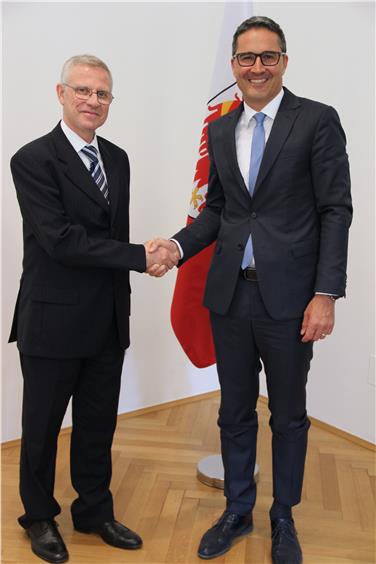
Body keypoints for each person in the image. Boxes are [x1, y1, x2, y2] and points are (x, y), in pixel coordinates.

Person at [150, 16, 352, 564]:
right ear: (234, 65)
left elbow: (336, 209)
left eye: (268, 56)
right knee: (234, 411)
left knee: (287, 415)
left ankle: (282, 515)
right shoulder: (221, 129)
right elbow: (217, 210)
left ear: (284, 61)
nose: (257, 67)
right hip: (229, 297)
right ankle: (237, 509)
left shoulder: (317, 121)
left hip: (291, 301)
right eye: (246, 58)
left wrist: (326, 293)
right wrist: (176, 246)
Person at [9, 54, 178, 564]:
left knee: (97, 423)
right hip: (53, 318)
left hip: (106, 317)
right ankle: (39, 515)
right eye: (82, 90)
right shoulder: (32, 160)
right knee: (41, 428)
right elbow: (62, 241)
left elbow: (106, 235)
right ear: (59, 94)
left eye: (102, 93)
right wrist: (140, 257)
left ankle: (93, 510)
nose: (92, 101)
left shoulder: (118, 158)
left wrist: (140, 257)